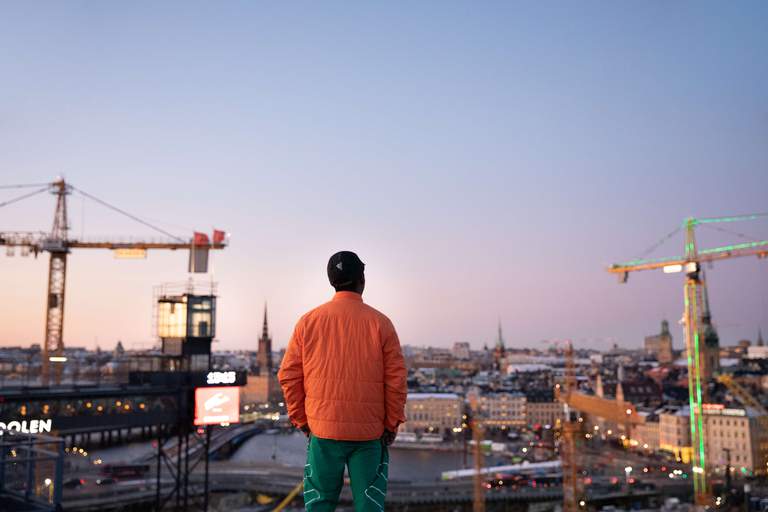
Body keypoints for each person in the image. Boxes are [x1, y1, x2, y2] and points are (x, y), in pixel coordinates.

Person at [278, 250, 408, 511]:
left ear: (331, 281)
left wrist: (302, 420)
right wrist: (391, 424)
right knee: (369, 503)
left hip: (323, 431)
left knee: (320, 503)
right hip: (369, 434)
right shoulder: (381, 324)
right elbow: (396, 382)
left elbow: (288, 376)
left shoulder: (308, 322)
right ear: (362, 279)